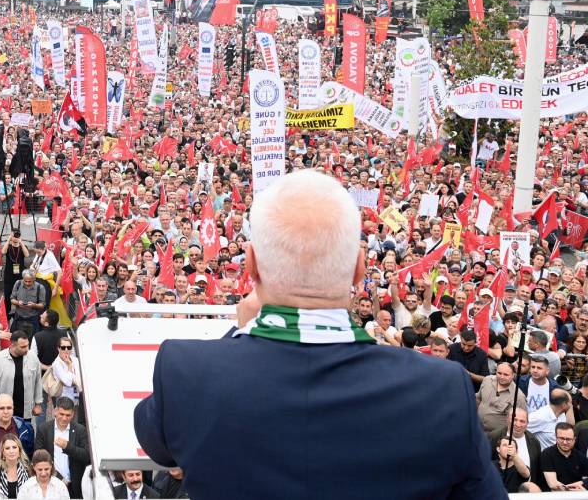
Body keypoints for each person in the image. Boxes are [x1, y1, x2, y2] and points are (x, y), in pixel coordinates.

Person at [133, 170, 501, 499]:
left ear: (251, 265)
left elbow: (155, 439)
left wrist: (241, 332)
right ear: (359, 268)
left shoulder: (186, 373)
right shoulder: (442, 391)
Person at [35, 398, 89, 499]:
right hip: (50, 483)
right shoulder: (44, 429)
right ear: (55, 411)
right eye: (61, 414)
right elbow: (38, 457)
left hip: (74, 486)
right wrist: (59, 478)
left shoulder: (80, 430)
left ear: (73, 414)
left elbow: (87, 457)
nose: (64, 418)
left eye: (68, 415)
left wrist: (67, 447)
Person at [0, 333, 42, 424]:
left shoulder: (33, 358)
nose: (27, 349)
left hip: (25, 409)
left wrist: (38, 404)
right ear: (12, 345)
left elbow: (38, 381)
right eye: (23, 347)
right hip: (5, 410)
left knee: (24, 436)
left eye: (27, 345)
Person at [540, 422, 588, 492]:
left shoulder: (581, 457)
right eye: (562, 438)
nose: (565, 442)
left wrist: (582, 486)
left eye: (568, 439)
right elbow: (553, 484)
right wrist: (576, 488)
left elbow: (585, 479)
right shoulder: (547, 454)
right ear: (556, 438)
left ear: (574, 439)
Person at [476, 362, 517, 434]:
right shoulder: (487, 380)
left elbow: (518, 421)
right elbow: (478, 399)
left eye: (506, 375)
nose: (501, 377)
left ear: (513, 375)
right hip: (477, 429)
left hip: (496, 436)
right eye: (499, 373)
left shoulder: (518, 396)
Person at [0, 434, 31, 500]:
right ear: (3, 452)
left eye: (14, 447)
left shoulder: (28, 469)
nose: (11, 451)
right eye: (7, 448)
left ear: (19, 450)